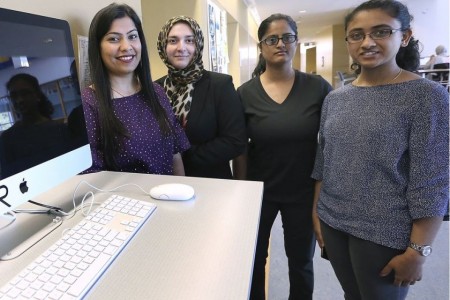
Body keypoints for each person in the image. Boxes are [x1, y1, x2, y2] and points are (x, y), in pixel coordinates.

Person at [311, 1, 449, 299]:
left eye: (381, 32)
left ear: (405, 36)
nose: (367, 42)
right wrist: (316, 214)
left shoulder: (427, 97)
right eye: (357, 35)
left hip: (385, 232)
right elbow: (324, 161)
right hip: (333, 222)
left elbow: (433, 182)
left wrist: (418, 251)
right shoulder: (336, 98)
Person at [236, 14, 333, 300]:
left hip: (302, 192)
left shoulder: (318, 88)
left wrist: (323, 197)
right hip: (259, 190)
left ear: (296, 42)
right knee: (254, 260)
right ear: (261, 46)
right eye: (272, 39)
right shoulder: (244, 94)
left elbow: (329, 144)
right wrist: (242, 193)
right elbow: (240, 149)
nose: (280, 44)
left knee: (300, 262)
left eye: (287, 37)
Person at [82, 3, 189, 175]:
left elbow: (175, 155)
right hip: (126, 201)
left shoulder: (157, 92)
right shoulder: (89, 103)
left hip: (171, 197)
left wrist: (181, 193)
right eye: (114, 39)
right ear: (97, 47)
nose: (126, 46)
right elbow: (93, 177)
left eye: (132, 36)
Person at [156, 16, 246, 179]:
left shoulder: (220, 85)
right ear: (163, 45)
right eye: (173, 41)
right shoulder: (155, 89)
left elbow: (235, 141)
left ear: (198, 44)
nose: (181, 47)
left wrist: (181, 157)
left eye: (189, 40)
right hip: (165, 184)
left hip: (211, 185)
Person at [0, 73, 71, 178]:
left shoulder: (60, 130)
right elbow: (9, 177)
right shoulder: (7, 139)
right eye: (14, 96)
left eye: (25, 93)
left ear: (37, 95)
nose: (19, 100)